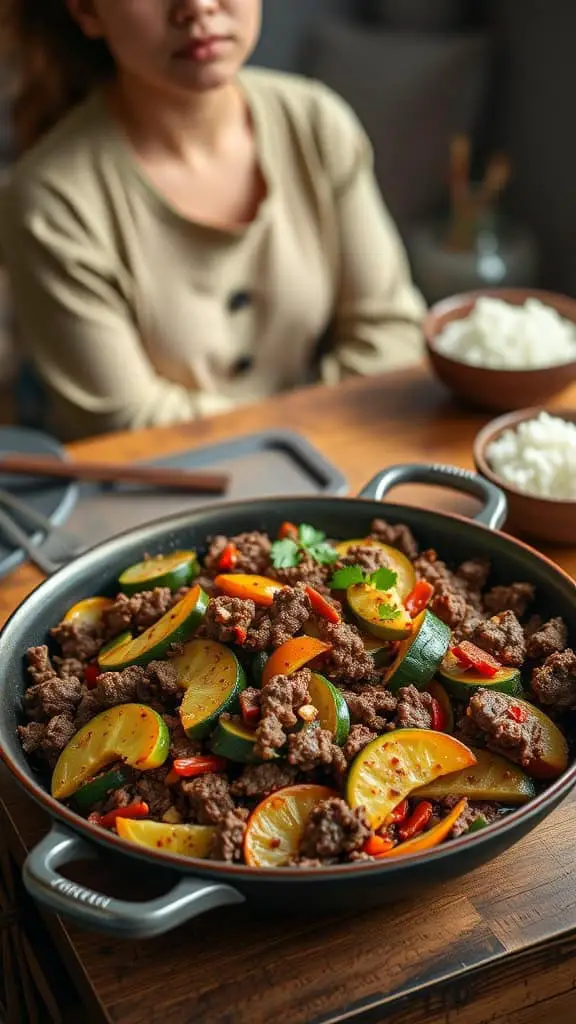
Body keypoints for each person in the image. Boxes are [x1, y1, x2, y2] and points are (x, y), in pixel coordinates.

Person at [0, 0, 426, 441]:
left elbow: (391, 335)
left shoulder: (314, 123)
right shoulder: (50, 201)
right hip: (152, 494)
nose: (198, 7)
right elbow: (128, 421)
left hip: (331, 465)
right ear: (87, 11)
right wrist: (306, 431)